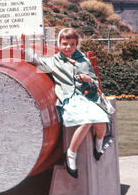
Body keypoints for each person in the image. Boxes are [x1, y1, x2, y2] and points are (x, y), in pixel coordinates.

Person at [25, 28, 110, 179]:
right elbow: (36, 60)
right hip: (70, 99)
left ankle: (99, 143)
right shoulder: (54, 61)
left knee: (101, 121)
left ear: (76, 44)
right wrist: (25, 45)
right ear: (59, 44)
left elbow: (95, 81)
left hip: (88, 97)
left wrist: (88, 79)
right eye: (65, 44)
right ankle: (71, 153)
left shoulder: (84, 60)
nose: (68, 47)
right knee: (87, 120)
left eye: (72, 44)